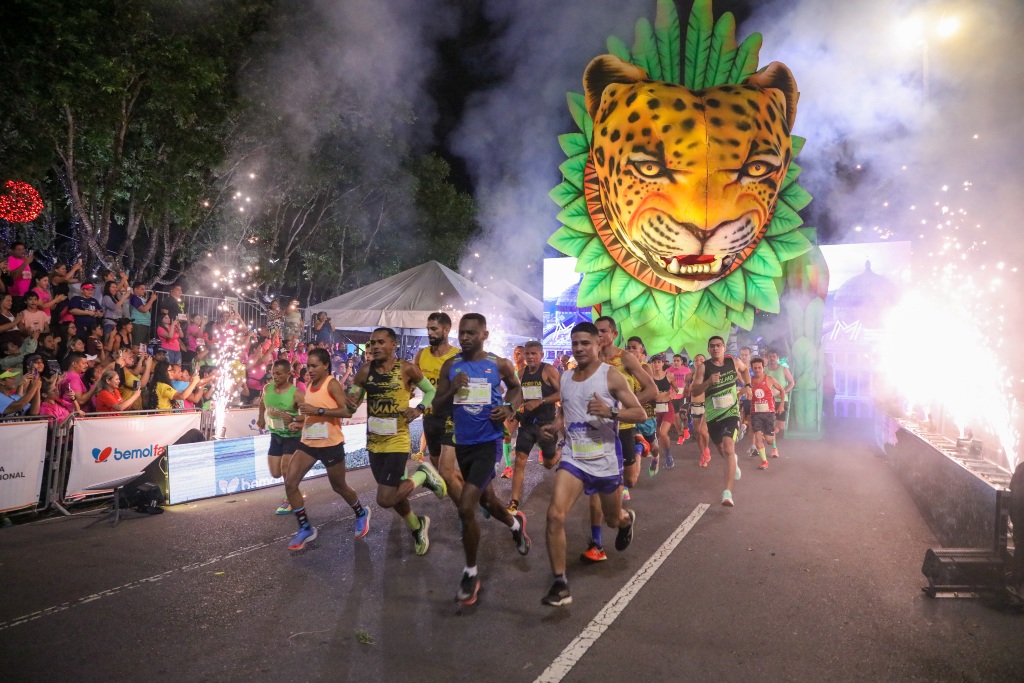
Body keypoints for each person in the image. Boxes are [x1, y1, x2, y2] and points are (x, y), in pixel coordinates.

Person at [538, 322, 642, 606]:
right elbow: (567, 413)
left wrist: (611, 411)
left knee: (611, 518)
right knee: (554, 516)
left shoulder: (612, 376)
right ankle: (560, 584)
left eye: (585, 343)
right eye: (575, 344)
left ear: (599, 344)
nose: (580, 348)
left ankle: (625, 520)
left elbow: (640, 412)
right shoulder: (566, 378)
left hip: (605, 460)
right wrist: (555, 426)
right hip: (574, 458)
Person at [432, 313, 529, 606]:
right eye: (462, 333)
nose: (464, 338)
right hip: (464, 445)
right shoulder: (451, 366)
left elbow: (517, 389)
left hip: (489, 444)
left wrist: (509, 409)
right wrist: (452, 389)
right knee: (487, 501)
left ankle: (471, 572)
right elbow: (436, 406)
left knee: (466, 504)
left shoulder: (498, 365)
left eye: (471, 333)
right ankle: (515, 526)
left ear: (485, 335)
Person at [346, 327, 447, 556]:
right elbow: (351, 404)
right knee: (394, 493)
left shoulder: (407, 368)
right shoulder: (364, 371)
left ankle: (423, 474)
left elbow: (430, 391)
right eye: (372, 343)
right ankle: (417, 526)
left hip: (397, 441)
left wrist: (419, 409)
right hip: (374, 443)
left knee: (385, 498)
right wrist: (347, 401)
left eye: (381, 342)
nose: (375, 347)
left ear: (393, 345)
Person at [579, 316, 655, 564]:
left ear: (613, 333)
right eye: (596, 332)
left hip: (624, 426)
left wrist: (626, 407)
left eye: (603, 331)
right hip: (597, 430)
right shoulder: (588, 360)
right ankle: (596, 543)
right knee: (595, 488)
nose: (599, 336)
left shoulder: (625, 358)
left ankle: (640, 444)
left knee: (629, 481)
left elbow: (651, 390)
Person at [284, 348, 369, 551]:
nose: (310, 370)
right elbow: (311, 414)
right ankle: (305, 528)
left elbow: (347, 411)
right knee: (290, 482)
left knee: (339, 486)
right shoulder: (310, 385)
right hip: (309, 443)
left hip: (331, 444)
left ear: (325, 366)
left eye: (314, 366)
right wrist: (298, 421)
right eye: (308, 366)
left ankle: (361, 512)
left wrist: (318, 411)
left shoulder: (332, 383)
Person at [689, 336, 750, 507]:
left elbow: (745, 370)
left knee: (729, 446)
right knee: (722, 450)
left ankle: (727, 493)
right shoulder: (703, 367)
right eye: (712, 346)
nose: (715, 349)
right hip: (713, 416)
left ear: (724, 348)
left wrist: (749, 385)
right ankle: (733, 462)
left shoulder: (733, 362)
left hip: (731, 412)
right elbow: (694, 391)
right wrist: (709, 382)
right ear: (708, 349)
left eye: (718, 346)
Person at [413, 312, 461, 507]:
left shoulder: (457, 356)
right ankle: (474, 496)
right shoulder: (421, 355)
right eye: (428, 329)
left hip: (451, 418)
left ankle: (465, 513)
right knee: (440, 469)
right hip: (430, 419)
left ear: (447, 330)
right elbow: (411, 382)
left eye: (434, 329)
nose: (430, 333)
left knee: (446, 472)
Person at [508, 340, 561, 514]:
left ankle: (562, 449)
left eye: (533, 354)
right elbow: (520, 397)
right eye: (527, 354)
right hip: (527, 424)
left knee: (548, 463)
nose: (529, 357)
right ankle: (514, 502)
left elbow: (562, 393)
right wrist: (512, 411)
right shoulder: (521, 373)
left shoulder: (548, 371)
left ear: (541, 355)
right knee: (519, 461)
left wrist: (541, 401)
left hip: (546, 425)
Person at [257, 359, 306, 516]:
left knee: (286, 470)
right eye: (273, 373)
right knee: (275, 473)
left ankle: (290, 499)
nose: (275, 376)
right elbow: (262, 403)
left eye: (278, 373)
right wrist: (261, 418)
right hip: (275, 435)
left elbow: (307, 416)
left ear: (288, 374)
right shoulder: (267, 389)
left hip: (292, 437)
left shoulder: (296, 394)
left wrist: (293, 420)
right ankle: (293, 491)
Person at [748, 356, 786, 468]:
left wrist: (782, 404)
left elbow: (782, 390)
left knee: (768, 439)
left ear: (763, 367)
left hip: (769, 413)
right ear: (752, 368)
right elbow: (745, 392)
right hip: (755, 413)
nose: (757, 370)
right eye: (755, 368)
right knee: (758, 437)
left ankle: (773, 446)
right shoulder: (749, 381)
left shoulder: (769, 379)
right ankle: (764, 461)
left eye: (759, 367)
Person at [649, 354, 676, 471]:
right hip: (655, 409)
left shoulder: (669, 376)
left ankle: (669, 455)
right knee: (658, 434)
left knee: (663, 433)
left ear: (663, 363)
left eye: (659, 362)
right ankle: (658, 454)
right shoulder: (649, 377)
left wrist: (673, 394)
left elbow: (676, 389)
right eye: (654, 362)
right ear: (652, 364)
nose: (656, 364)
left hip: (667, 407)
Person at [765, 350, 796, 439]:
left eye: (774, 356)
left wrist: (784, 391)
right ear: (767, 358)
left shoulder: (783, 369)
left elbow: (792, 383)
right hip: (768, 401)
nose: (772, 358)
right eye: (770, 356)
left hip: (781, 400)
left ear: (777, 358)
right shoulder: (764, 369)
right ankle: (773, 444)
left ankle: (773, 432)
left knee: (781, 426)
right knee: (769, 422)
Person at [688, 354, 711, 467]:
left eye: (701, 360)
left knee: (703, 431)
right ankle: (702, 454)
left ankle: (706, 448)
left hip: (706, 405)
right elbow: (687, 392)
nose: (699, 362)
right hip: (694, 406)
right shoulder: (689, 376)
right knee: (697, 433)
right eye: (696, 360)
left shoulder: (708, 375)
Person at [667, 354, 691, 444]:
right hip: (673, 396)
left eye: (678, 360)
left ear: (681, 362)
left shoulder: (687, 370)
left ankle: (685, 428)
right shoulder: (669, 371)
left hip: (684, 396)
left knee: (682, 414)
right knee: (676, 418)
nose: (676, 362)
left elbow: (689, 383)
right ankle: (680, 436)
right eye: (674, 360)